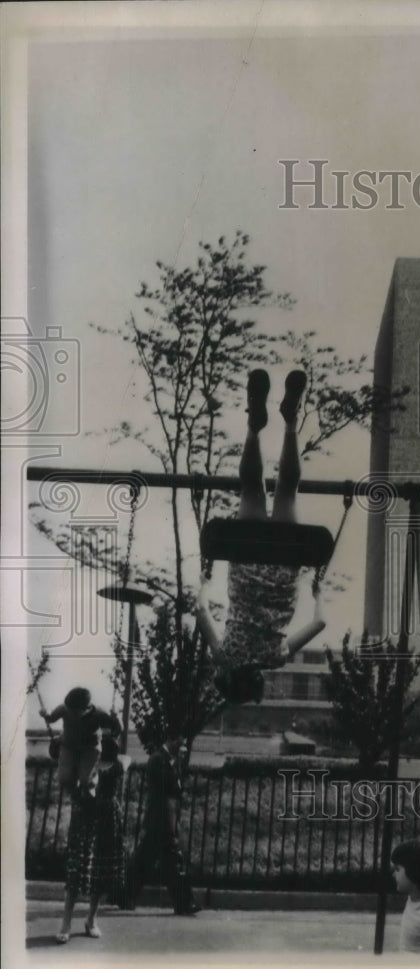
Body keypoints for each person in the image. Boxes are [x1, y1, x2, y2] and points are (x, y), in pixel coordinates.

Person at [196, 369, 325, 704]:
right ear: (224, 677)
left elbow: (320, 622)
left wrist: (317, 590)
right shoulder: (223, 655)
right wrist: (205, 579)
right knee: (252, 487)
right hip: (246, 560)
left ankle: (291, 420)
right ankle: (254, 426)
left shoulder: (277, 657)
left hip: (285, 565)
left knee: (287, 490)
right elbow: (200, 609)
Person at [55, 734, 131, 944]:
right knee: (78, 869)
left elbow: (125, 759)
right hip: (87, 818)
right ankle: (69, 922)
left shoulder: (114, 764)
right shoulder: (94, 765)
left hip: (104, 820)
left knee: (98, 870)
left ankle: (87, 921)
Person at [124, 735, 199, 915]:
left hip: (163, 818)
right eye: (182, 745)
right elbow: (169, 786)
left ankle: (124, 896)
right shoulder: (159, 760)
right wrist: (175, 765)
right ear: (172, 742)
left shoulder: (168, 760)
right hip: (161, 818)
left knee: (145, 860)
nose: (184, 750)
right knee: (172, 860)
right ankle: (184, 903)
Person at [41, 687, 121, 799]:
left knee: (86, 779)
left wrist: (115, 718)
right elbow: (51, 718)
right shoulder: (64, 708)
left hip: (90, 748)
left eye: (74, 710)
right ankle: (75, 797)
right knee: (65, 778)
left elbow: (116, 730)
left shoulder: (99, 714)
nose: (70, 711)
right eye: (68, 708)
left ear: (85, 708)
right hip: (68, 746)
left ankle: (90, 797)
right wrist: (46, 713)